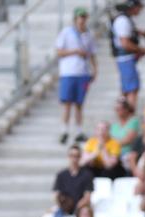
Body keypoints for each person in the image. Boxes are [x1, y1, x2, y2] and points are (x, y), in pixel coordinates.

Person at [55, 7, 97, 145]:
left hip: (82, 72)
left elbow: (92, 54)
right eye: (80, 17)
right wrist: (74, 51)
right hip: (68, 72)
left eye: (84, 17)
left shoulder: (88, 35)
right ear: (75, 19)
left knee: (79, 103)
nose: (82, 20)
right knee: (67, 103)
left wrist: (95, 69)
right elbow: (59, 52)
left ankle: (79, 130)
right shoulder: (67, 32)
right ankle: (64, 130)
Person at [111, 0, 145, 106]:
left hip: (126, 58)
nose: (140, 10)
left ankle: (124, 111)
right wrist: (141, 50)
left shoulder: (126, 19)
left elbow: (135, 32)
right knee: (132, 89)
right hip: (126, 58)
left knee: (127, 88)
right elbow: (125, 43)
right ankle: (128, 113)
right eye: (139, 7)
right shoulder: (123, 20)